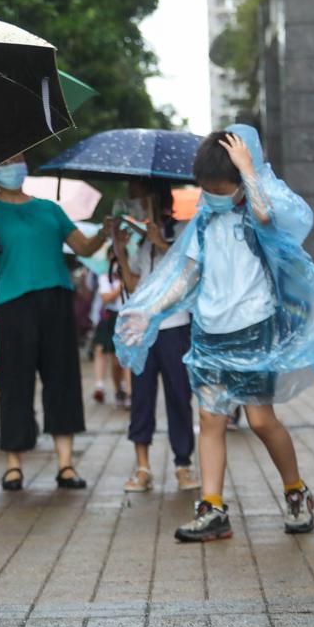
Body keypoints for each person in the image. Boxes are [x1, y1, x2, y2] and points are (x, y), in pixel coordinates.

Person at [117, 125, 314, 542]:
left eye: (220, 188)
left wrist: (250, 171)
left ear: (239, 182)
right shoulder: (201, 224)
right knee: (210, 419)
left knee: (260, 420)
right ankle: (213, 508)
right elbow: (184, 275)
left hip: (254, 333)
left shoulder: (257, 215)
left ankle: (295, 492)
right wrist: (151, 312)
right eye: (207, 188)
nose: (212, 196)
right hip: (210, 336)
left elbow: (271, 214)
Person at [0, 154, 109, 492]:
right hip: (14, 303)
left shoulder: (50, 209)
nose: (13, 166)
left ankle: (66, 464)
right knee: (15, 383)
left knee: (62, 379)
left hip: (57, 299)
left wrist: (107, 231)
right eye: (4, 161)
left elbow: (84, 246)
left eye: (18, 159)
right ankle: (14, 464)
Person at [112, 180, 198, 493]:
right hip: (143, 331)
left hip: (175, 327)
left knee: (179, 395)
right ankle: (143, 466)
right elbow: (134, 284)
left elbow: (190, 272)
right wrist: (121, 250)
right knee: (142, 397)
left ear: (153, 199)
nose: (133, 203)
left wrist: (160, 241)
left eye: (137, 196)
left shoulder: (183, 231)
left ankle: (183, 464)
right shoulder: (142, 243)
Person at [90, 248, 129, 409]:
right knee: (114, 359)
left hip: (128, 316)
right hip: (112, 317)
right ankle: (118, 388)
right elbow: (106, 297)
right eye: (113, 256)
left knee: (127, 358)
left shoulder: (132, 271)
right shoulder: (105, 276)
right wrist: (121, 286)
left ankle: (129, 392)